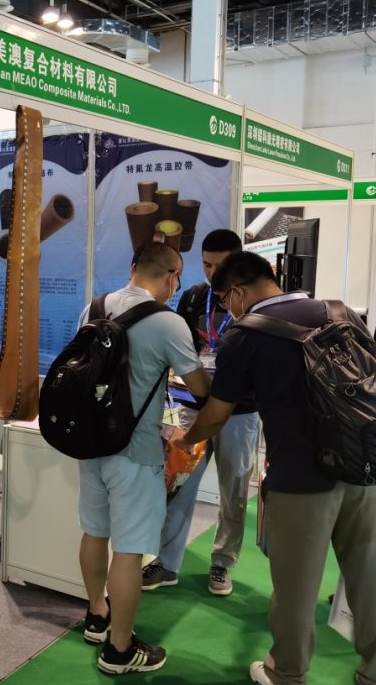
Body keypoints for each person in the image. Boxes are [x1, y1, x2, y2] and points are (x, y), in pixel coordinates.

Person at [176, 251, 376, 685]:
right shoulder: (340, 312)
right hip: (365, 469)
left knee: (295, 588)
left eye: (225, 301)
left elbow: (217, 413)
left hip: (300, 479)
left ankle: (287, 672)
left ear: (236, 293)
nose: (227, 309)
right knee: (372, 580)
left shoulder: (244, 335)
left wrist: (187, 439)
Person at [77, 243, 211, 675]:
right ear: (172, 277)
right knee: (130, 550)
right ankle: (119, 649)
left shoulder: (95, 307)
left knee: (94, 531)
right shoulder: (168, 322)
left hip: (91, 443)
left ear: (134, 267)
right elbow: (200, 387)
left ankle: (97, 616)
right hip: (135, 451)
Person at [143, 229, 260, 597]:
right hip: (193, 407)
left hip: (240, 411)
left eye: (219, 265)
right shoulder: (194, 297)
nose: (212, 273)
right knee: (179, 483)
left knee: (234, 490)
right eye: (207, 265)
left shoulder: (253, 304)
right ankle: (166, 562)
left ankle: (222, 562)